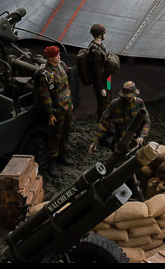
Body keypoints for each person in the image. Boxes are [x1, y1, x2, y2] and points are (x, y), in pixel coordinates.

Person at [34, 45, 73, 177]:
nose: (59, 56)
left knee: (65, 134)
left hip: (67, 107)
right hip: (57, 110)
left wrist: (71, 103)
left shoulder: (62, 66)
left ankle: (63, 155)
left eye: (58, 55)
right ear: (50, 58)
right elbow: (46, 98)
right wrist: (50, 115)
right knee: (55, 137)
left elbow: (67, 86)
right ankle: (51, 164)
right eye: (56, 55)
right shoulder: (46, 75)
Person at [88, 81, 150, 155]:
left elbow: (147, 121)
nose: (128, 99)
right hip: (119, 143)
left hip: (136, 142)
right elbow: (103, 123)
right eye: (126, 96)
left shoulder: (139, 103)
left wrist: (142, 136)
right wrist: (95, 141)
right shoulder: (115, 105)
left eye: (130, 96)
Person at [79, 23, 115, 114]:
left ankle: (107, 123)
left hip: (107, 79)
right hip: (102, 81)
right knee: (103, 106)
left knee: (109, 100)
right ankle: (102, 125)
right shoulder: (95, 51)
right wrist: (100, 88)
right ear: (100, 35)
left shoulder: (100, 46)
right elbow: (96, 71)